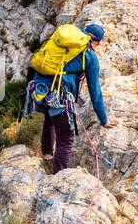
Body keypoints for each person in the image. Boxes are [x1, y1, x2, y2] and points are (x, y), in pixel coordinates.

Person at [37, 23, 117, 174]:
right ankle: (59, 178)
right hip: (57, 95)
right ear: (98, 42)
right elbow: (95, 92)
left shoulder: (64, 44)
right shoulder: (90, 56)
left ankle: (47, 156)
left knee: (50, 117)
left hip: (38, 89)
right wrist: (104, 120)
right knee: (66, 137)